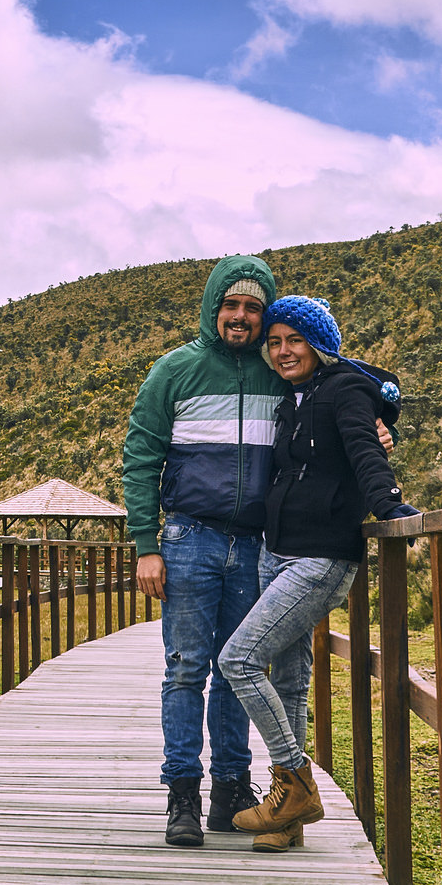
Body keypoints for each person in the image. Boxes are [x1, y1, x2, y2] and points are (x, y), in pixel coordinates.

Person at [217, 295, 419, 851]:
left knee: (238, 658)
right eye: (274, 342)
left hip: (321, 557)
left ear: (320, 345)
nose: (282, 351)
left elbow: (363, 450)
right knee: (286, 677)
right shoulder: (293, 398)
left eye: (294, 341)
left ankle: (296, 783)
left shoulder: (345, 390)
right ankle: (288, 821)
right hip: (274, 552)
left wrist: (390, 504)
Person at [121, 255, 282, 846]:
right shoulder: (174, 371)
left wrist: (379, 422)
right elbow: (140, 459)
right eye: (231, 305)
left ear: (265, 314)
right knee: (186, 668)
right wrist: (146, 545)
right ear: (214, 307)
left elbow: (344, 399)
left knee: (239, 670)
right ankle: (182, 795)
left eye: (252, 307)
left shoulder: (279, 373)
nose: (240, 317)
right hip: (189, 538)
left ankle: (232, 789)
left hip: (258, 544)